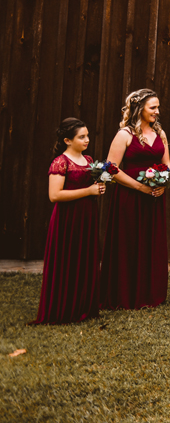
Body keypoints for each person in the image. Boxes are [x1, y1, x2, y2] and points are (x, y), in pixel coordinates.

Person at [33, 119, 113, 324]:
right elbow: (55, 195)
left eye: (87, 135)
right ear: (67, 140)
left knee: (84, 259)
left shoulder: (88, 159)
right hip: (67, 219)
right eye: (81, 137)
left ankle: (83, 306)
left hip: (87, 217)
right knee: (67, 261)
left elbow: (90, 188)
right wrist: (89, 191)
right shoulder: (60, 162)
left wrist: (99, 189)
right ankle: (63, 309)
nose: (87, 140)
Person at [98, 89, 170, 310]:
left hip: (154, 199)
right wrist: (140, 187)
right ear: (139, 109)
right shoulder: (124, 135)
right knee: (128, 242)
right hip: (129, 197)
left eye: (158, 107)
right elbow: (110, 168)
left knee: (150, 242)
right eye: (153, 108)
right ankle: (125, 294)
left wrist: (163, 184)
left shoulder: (161, 134)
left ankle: (150, 292)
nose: (157, 112)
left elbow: (168, 164)